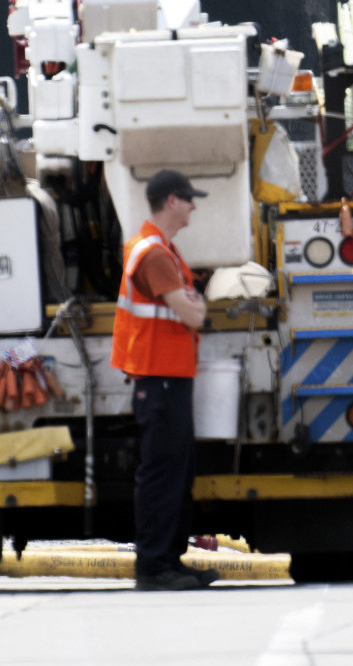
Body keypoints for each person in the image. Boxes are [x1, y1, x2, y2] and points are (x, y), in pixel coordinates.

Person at [110, 170, 219, 592]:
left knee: (176, 473)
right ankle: (154, 567)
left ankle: (169, 561)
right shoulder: (153, 254)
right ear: (170, 201)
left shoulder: (164, 251)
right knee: (161, 476)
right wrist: (195, 304)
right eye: (189, 199)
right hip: (159, 378)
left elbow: (191, 306)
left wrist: (192, 301)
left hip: (168, 378)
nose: (194, 206)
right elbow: (193, 314)